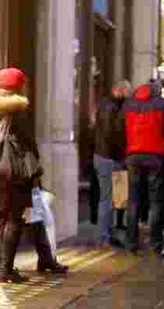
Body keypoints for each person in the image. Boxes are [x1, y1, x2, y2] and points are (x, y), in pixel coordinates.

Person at [0, 68, 67, 283]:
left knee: (9, 217)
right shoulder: (18, 110)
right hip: (15, 174)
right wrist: (36, 172)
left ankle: (43, 259)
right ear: (18, 87)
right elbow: (26, 147)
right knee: (15, 218)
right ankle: (5, 269)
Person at [123, 80, 164, 255]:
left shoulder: (129, 104)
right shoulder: (163, 104)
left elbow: (120, 128)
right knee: (155, 201)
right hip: (155, 155)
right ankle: (155, 244)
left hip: (133, 156)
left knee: (133, 200)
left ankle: (131, 243)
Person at [93, 80, 131, 249]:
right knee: (107, 199)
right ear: (120, 90)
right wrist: (122, 152)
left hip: (107, 156)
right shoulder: (111, 107)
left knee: (116, 198)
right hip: (108, 157)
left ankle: (108, 234)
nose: (129, 95)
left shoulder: (108, 104)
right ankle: (104, 237)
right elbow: (112, 134)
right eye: (127, 92)